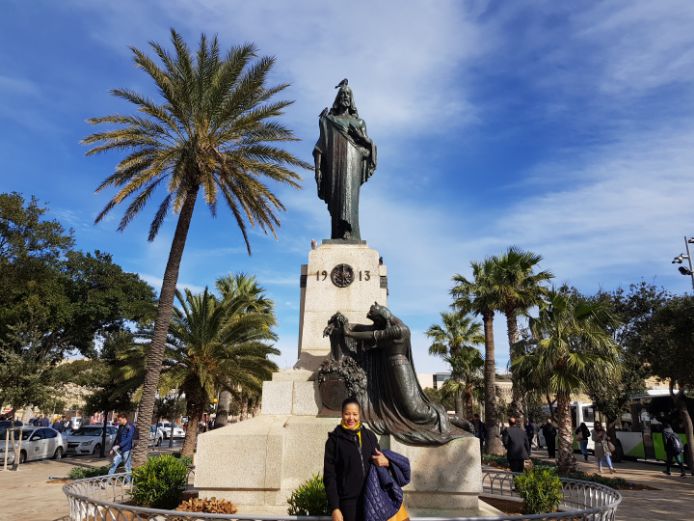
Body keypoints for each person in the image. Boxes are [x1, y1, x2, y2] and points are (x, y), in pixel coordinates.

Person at [313, 79, 377, 241]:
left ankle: (352, 232)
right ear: (338, 97)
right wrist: (317, 169)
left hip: (354, 163)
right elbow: (320, 147)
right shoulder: (329, 121)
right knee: (336, 200)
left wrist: (361, 138)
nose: (345, 96)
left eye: (348, 94)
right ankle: (337, 234)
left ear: (352, 98)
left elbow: (369, 146)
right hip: (335, 164)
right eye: (343, 94)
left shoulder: (359, 122)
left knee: (350, 199)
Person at [324, 398, 390, 521]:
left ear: (360, 415)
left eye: (355, 414)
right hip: (348, 504)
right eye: (347, 414)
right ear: (342, 414)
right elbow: (329, 476)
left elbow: (380, 462)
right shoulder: (334, 441)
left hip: (372, 500)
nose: (351, 418)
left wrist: (387, 462)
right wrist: (335, 508)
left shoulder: (369, 436)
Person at [108, 413, 135, 478]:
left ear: (124, 419)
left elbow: (128, 439)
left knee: (127, 467)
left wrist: (119, 445)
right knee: (114, 465)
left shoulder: (130, 426)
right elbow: (117, 438)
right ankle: (107, 481)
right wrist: (113, 448)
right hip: (119, 451)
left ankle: (128, 482)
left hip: (126, 450)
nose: (118, 422)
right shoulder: (120, 426)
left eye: (120, 420)